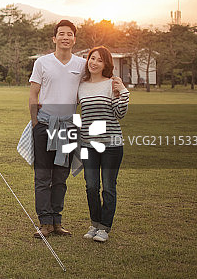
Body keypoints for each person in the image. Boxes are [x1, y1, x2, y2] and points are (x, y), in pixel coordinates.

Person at [28, 19, 86, 238]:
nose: (65, 37)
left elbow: (95, 81)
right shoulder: (42, 62)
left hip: (69, 127)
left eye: (69, 34)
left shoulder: (81, 64)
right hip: (44, 125)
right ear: (54, 38)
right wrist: (35, 125)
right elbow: (34, 94)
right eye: (61, 33)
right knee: (43, 177)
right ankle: (44, 223)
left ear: (74, 39)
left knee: (60, 177)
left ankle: (57, 222)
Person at [78, 45, 129, 243]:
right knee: (91, 186)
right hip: (88, 144)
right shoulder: (81, 86)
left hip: (112, 144)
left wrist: (124, 92)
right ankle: (94, 223)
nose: (94, 62)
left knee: (108, 187)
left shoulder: (111, 84)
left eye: (99, 60)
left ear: (106, 64)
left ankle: (104, 228)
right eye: (92, 58)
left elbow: (120, 114)